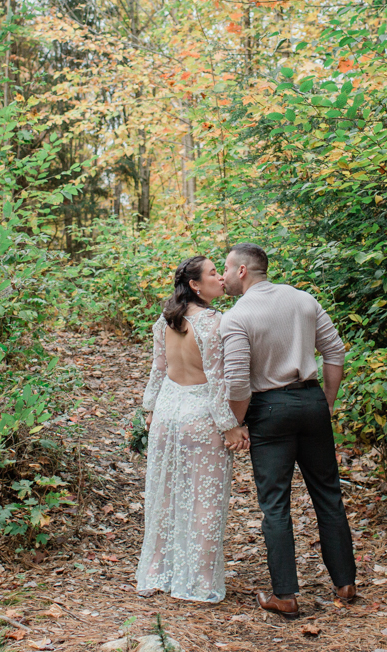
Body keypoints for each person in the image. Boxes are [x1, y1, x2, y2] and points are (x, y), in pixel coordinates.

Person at [219, 243, 357, 618]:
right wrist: (326, 401)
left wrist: (239, 421)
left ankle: (285, 595)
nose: (223, 276)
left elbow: (236, 383)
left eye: (227, 268)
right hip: (311, 402)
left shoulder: (236, 316)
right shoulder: (304, 300)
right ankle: (345, 583)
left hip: (268, 410)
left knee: (275, 503)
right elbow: (335, 352)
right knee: (328, 494)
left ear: (243, 270)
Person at [136, 255, 250, 603]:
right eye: (213, 273)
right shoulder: (216, 322)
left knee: (164, 496)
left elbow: (157, 371)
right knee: (204, 501)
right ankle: (198, 582)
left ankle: (159, 573)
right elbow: (219, 382)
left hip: (168, 414)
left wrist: (149, 409)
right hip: (201, 416)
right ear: (196, 285)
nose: (220, 277)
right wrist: (231, 426)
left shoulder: (166, 319)